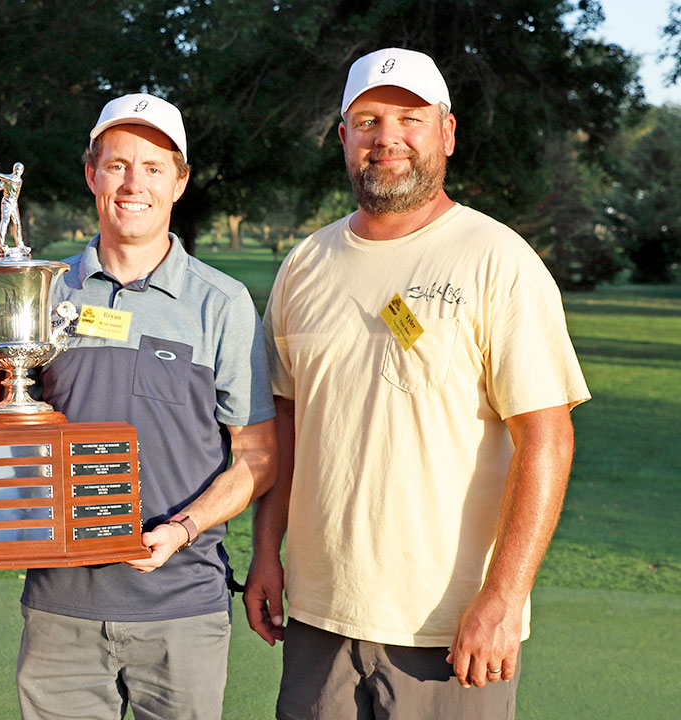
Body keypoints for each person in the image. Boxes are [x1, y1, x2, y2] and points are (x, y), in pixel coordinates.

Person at [244, 48, 591, 720]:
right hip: (320, 616)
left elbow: (547, 439)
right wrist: (265, 552)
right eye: (368, 120)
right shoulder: (305, 264)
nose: (388, 137)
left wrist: (503, 598)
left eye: (410, 119)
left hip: (449, 627)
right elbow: (285, 424)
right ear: (343, 137)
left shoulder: (498, 260)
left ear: (447, 133)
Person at [15, 93, 278, 720]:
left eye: (154, 168)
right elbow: (2, 427)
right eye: (117, 165)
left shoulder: (222, 303)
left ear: (179, 182)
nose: (134, 184)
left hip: (182, 607)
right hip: (60, 608)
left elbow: (258, 454)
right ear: (91, 175)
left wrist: (183, 528)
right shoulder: (41, 294)